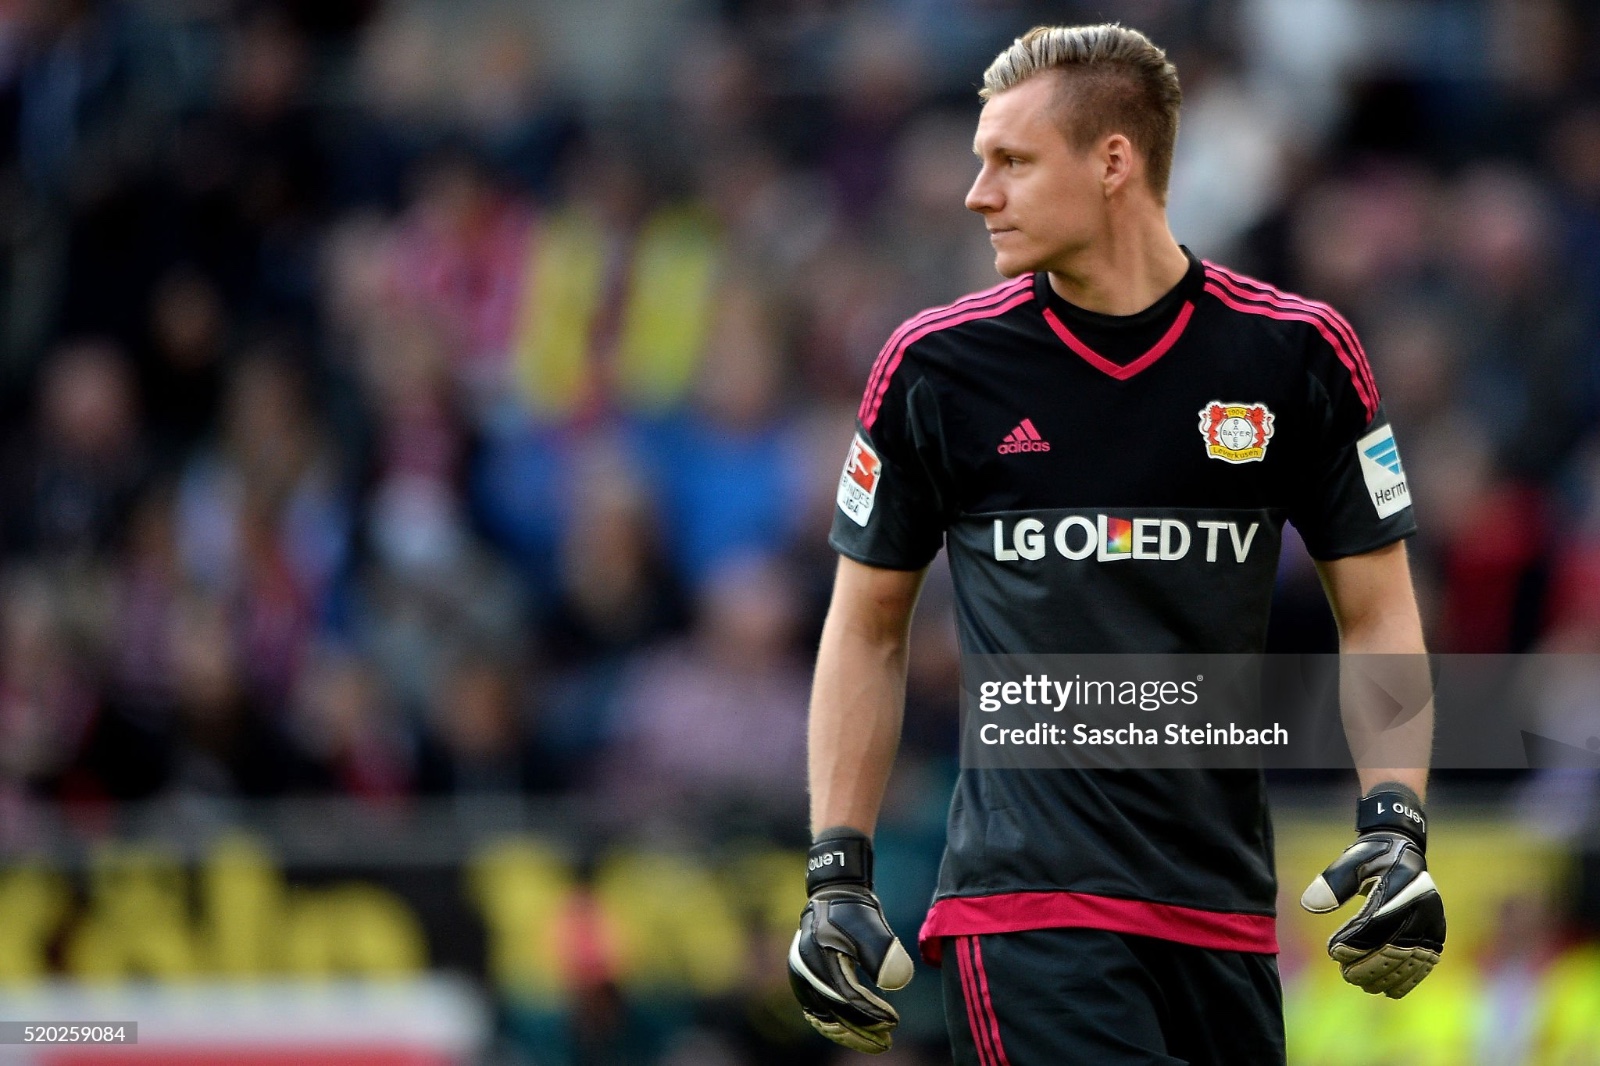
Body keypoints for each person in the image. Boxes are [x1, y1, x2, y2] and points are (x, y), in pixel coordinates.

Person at [787, 23, 1446, 1064]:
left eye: (1008, 160)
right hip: (1027, 914)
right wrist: (837, 871)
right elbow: (865, 630)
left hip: (1224, 917)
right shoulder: (935, 370)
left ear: (1111, 162)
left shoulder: (1296, 355)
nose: (976, 192)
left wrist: (1397, 821)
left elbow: (1377, 610)